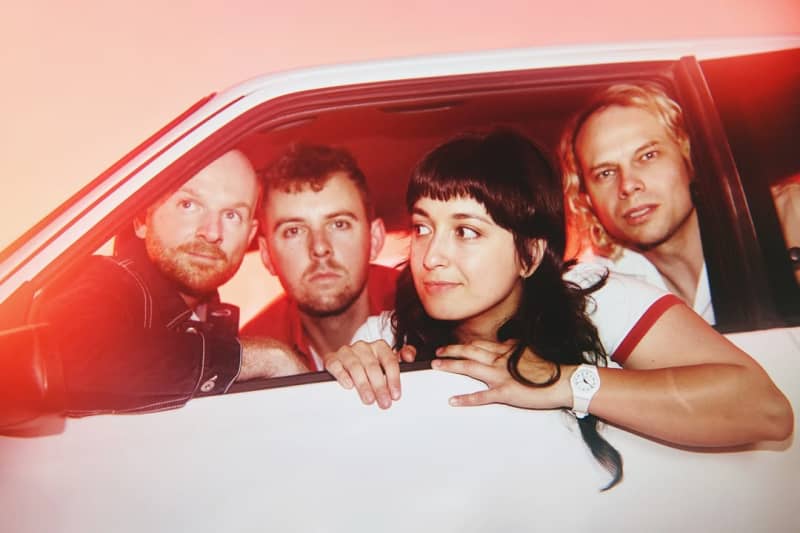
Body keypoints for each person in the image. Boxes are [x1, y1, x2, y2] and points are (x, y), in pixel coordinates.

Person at [325, 129, 793, 488]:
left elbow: (765, 408)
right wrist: (353, 371)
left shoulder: (594, 297)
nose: (432, 257)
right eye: (424, 227)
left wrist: (563, 380)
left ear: (530, 255)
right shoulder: (385, 333)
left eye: (466, 231)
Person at [35, 150, 309, 416]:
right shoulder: (105, 281)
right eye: (188, 205)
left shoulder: (210, 321)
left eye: (231, 215)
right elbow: (65, 356)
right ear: (143, 219)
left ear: (249, 235)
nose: (212, 232)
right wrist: (261, 358)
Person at [560, 83, 715, 323]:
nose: (628, 185)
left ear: (687, 156)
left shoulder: (772, 230)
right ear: (587, 198)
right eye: (605, 173)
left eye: (647, 156)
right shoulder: (594, 290)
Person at [242, 144, 399, 371]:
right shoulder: (255, 355)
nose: (320, 247)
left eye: (339, 224)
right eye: (293, 230)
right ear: (267, 255)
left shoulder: (431, 315)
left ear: (374, 239)